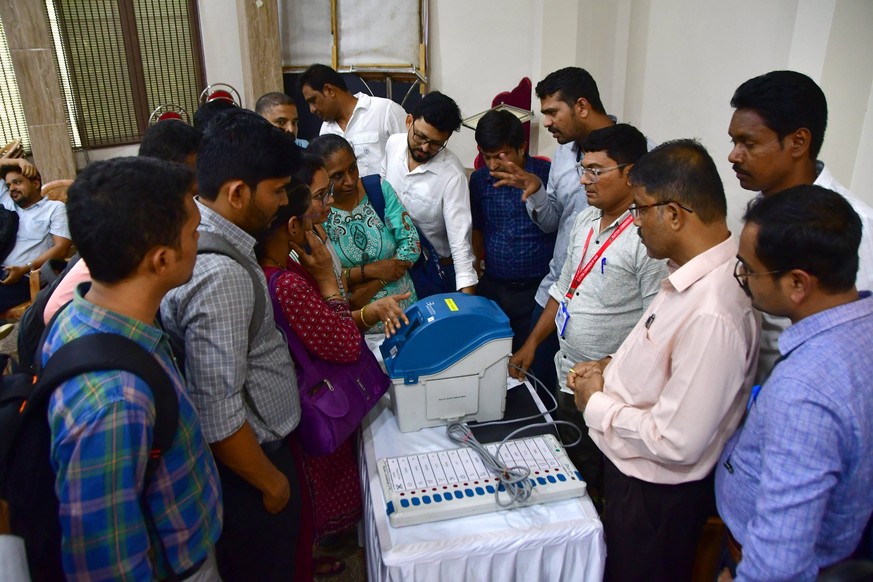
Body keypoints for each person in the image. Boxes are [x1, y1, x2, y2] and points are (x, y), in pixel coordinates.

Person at [566, 140, 760, 582]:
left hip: (655, 497)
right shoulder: (688, 273)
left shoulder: (714, 310)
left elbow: (676, 441)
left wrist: (596, 402)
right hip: (630, 476)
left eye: (639, 209)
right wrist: (610, 367)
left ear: (673, 214)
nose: (634, 224)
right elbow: (663, 361)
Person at [45, 156, 222, 580]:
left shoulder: (82, 313)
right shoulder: (113, 400)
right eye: (195, 231)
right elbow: (107, 561)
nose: (202, 239)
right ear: (161, 260)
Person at [160, 109, 303, 582]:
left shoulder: (214, 241)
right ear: (238, 192)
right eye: (278, 190)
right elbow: (218, 410)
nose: (284, 202)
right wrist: (272, 482)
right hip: (249, 474)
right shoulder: (220, 274)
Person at [715, 186, 873, 582]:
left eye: (749, 270)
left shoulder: (805, 391)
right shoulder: (861, 324)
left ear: (798, 284)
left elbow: (780, 560)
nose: (743, 279)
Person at [255, 181, 408, 579]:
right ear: (291, 227)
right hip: (309, 402)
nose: (320, 220)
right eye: (313, 215)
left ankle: (307, 554)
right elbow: (343, 346)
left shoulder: (280, 266)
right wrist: (327, 283)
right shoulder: (286, 280)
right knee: (306, 503)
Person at [509, 124, 667, 500]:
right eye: (583, 168)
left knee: (605, 482)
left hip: (612, 389)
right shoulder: (584, 221)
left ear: (631, 172)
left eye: (596, 170)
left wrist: (606, 365)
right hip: (570, 375)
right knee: (573, 464)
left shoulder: (647, 237)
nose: (584, 180)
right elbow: (563, 289)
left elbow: (655, 324)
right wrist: (532, 344)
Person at [727, 70, 873, 380]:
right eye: (733, 141)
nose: (733, 155)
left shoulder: (853, 226)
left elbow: (847, 342)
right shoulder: (763, 208)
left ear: (798, 142)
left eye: (748, 143)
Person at [490, 67, 617, 394]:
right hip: (557, 292)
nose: (545, 122)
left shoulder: (636, 153)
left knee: (584, 399)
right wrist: (536, 191)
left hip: (601, 306)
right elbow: (552, 223)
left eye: (552, 112)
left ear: (582, 107)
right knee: (538, 387)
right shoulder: (563, 155)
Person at [309, 134, 419, 327]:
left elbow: (411, 244)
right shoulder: (317, 215)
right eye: (337, 176)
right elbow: (325, 275)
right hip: (358, 323)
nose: (350, 180)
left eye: (353, 168)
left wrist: (375, 284)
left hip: (404, 312)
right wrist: (371, 270)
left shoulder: (378, 190)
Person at [470, 109, 555, 351]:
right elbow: (477, 227)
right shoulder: (479, 180)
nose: (493, 164)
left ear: (522, 147)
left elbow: (557, 224)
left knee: (534, 359)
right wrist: (476, 269)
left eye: (501, 155)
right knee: (493, 355)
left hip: (538, 291)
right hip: (494, 289)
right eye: (487, 157)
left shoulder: (546, 175)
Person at [381, 91, 477, 294]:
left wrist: (468, 306)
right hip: (395, 265)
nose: (425, 147)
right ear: (409, 121)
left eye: (435, 144)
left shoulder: (452, 176)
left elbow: (461, 246)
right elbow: (383, 192)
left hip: (436, 271)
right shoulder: (393, 144)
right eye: (420, 137)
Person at [298, 64, 406, 176]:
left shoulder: (385, 111)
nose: (312, 109)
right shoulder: (326, 130)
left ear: (329, 90)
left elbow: (409, 158)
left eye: (313, 100)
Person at [0, 161, 71, 310]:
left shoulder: (54, 209)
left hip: (25, 277)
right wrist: (18, 161)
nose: (12, 188)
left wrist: (25, 269)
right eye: (8, 186)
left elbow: (61, 248)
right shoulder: (8, 203)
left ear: (36, 183)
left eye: (17, 182)